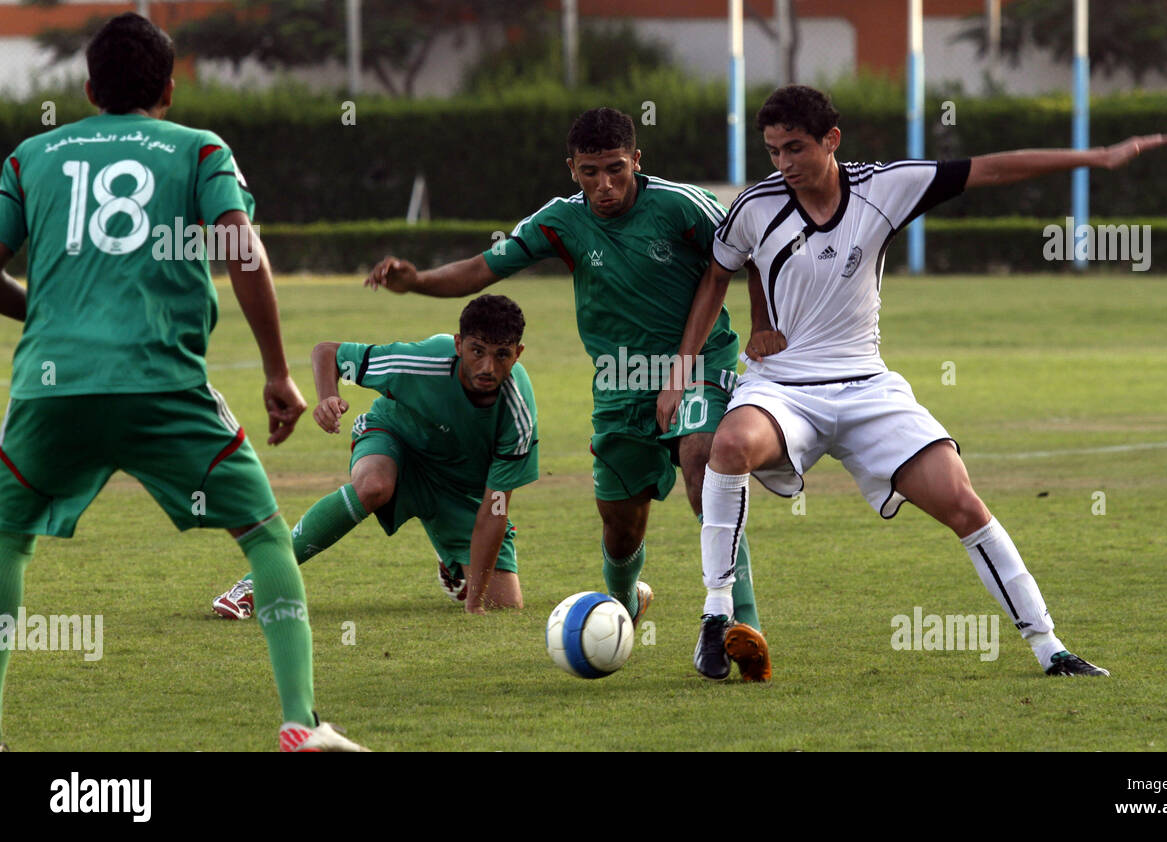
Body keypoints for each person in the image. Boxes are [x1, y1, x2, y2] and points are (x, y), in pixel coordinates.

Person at [661, 83, 1167, 680]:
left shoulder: (886, 185)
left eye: (796, 148)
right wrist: (682, 370)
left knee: (962, 501)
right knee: (728, 446)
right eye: (773, 151)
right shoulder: (755, 205)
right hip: (782, 388)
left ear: (832, 140)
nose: (783, 164)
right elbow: (717, 275)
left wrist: (1098, 157)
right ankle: (715, 614)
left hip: (868, 388)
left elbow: (989, 169)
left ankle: (1050, 647)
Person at [0, 13, 364, 750]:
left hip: (51, 384)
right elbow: (243, 253)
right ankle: (300, 721)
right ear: (169, 87)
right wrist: (276, 373)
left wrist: (47, 311)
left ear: (87, 86)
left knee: (6, 540)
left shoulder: (31, 155)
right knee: (265, 537)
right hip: (160, 381)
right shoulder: (199, 148)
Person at [364, 107, 771, 675]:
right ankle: (626, 604)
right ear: (571, 169)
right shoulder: (561, 221)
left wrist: (751, 330)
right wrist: (417, 283)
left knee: (706, 466)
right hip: (618, 383)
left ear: (636, 161)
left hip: (701, 363)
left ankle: (737, 623)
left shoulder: (683, 206)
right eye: (588, 172)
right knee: (620, 522)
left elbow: (750, 251)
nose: (603, 185)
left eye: (614, 169)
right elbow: (486, 267)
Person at [211, 294, 539, 618]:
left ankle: (450, 558)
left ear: (518, 354)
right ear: (458, 345)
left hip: (457, 486)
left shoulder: (518, 411)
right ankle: (256, 581)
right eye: (477, 351)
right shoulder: (421, 362)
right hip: (395, 438)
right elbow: (328, 352)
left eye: (502, 355)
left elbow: (495, 507)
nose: (487, 367)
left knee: (505, 603)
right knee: (373, 486)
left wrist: (476, 601)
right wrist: (327, 397)